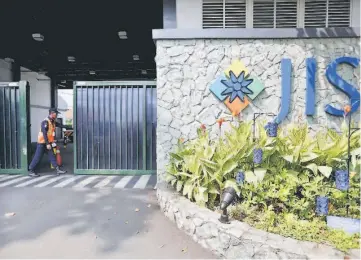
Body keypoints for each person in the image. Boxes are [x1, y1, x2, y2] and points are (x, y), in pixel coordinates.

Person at [28, 108, 72, 177]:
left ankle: (58, 169)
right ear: (52, 113)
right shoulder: (45, 122)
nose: (57, 115)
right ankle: (31, 170)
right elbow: (44, 133)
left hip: (48, 143)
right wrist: (47, 144)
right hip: (42, 143)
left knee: (52, 156)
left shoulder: (53, 121)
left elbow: (61, 125)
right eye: (56, 114)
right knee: (37, 157)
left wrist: (70, 126)